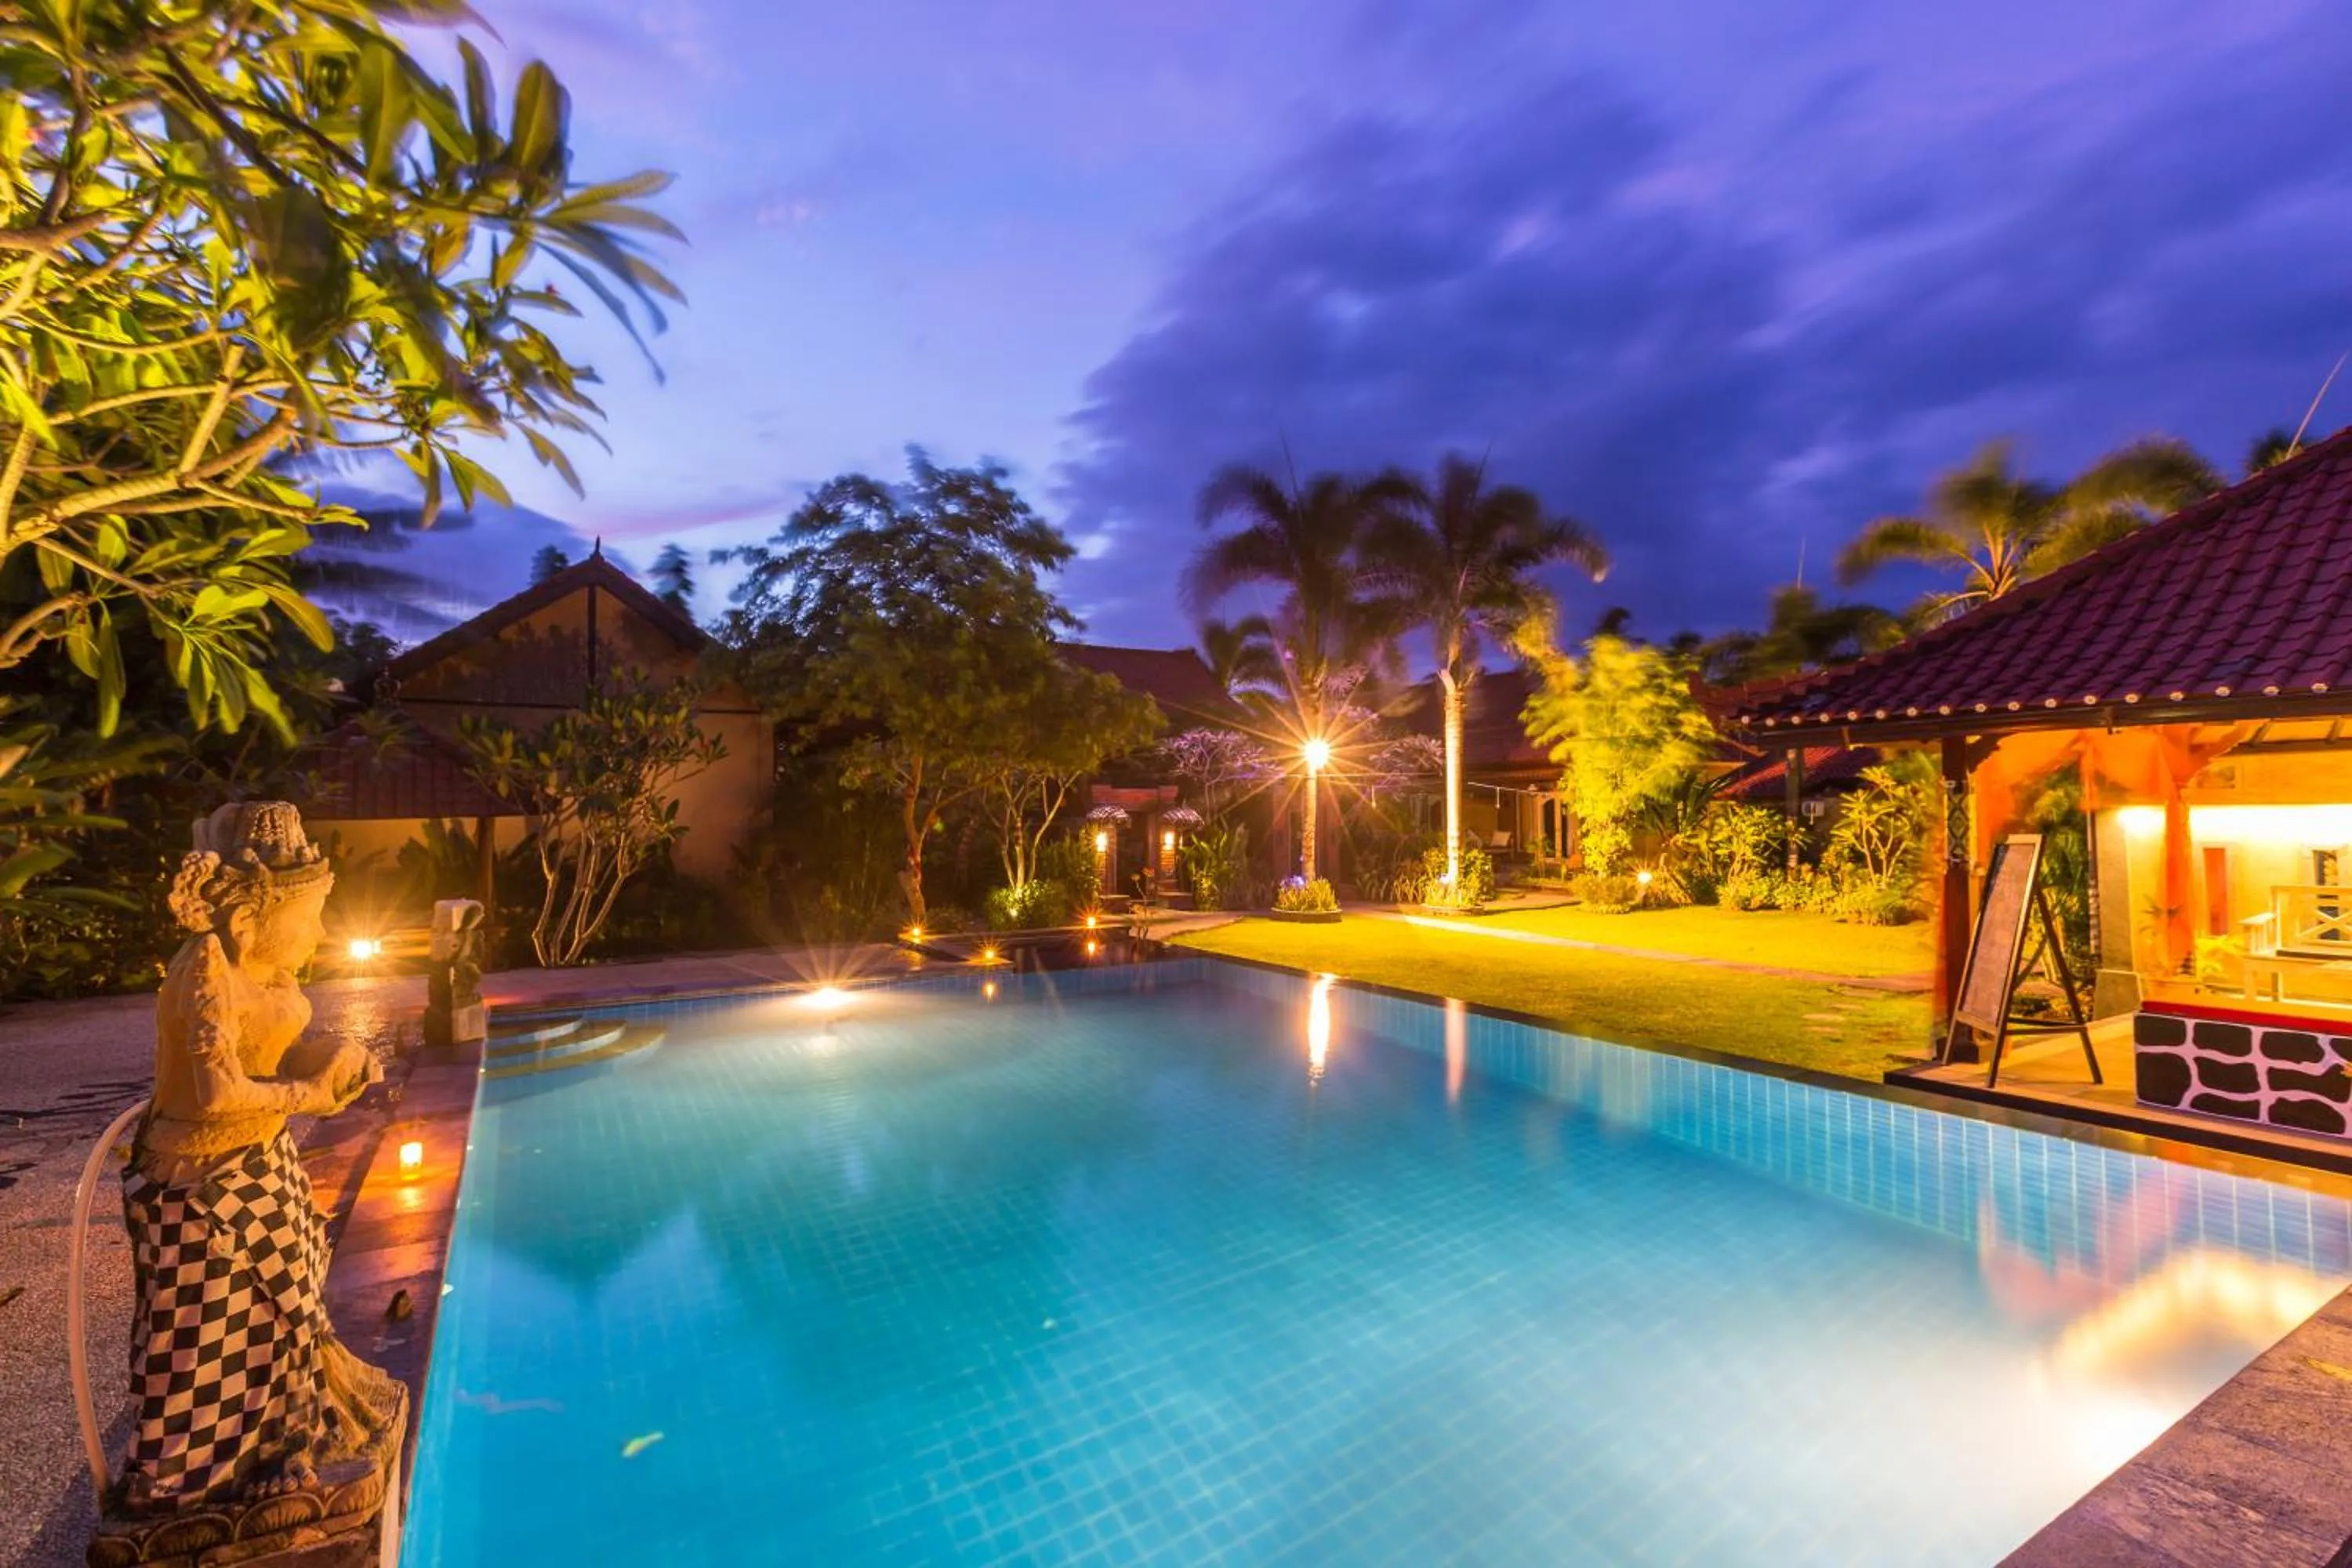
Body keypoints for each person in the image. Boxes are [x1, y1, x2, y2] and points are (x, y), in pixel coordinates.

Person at [118, 801, 400, 1511]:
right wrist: (307, 1093)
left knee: (290, 1301)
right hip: (199, 1179)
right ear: (248, 920)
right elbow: (215, 1095)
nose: (319, 932)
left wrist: (339, 1056)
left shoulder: (270, 971)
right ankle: (189, 1475)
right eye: (307, 918)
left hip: (258, 1157)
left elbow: (275, 1049)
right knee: (213, 1327)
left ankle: (283, 1436)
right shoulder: (206, 970)